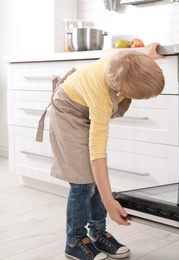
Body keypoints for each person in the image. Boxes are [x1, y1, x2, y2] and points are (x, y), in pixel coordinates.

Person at [37, 43, 165, 260]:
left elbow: (136, 65)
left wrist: (149, 57)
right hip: (69, 111)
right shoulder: (102, 99)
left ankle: (97, 233)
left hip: (85, 104)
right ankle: (75, 241)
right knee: (83, 181)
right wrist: (109, 201)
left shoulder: (125, 61)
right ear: (121, 93)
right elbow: (97, 153)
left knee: (94, 180)